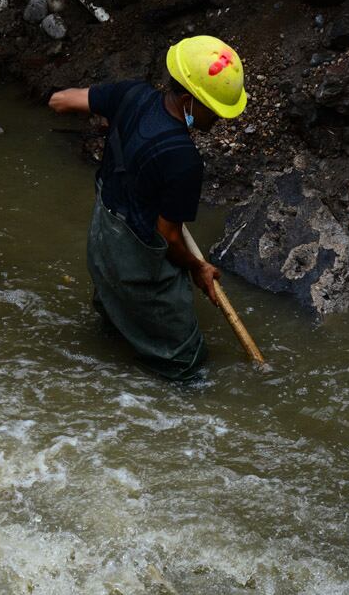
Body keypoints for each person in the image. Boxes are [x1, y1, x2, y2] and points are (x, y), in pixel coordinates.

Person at [48, 36, 248, 379]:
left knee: (115, 323)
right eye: (213, 109)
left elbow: (60, 101)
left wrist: (118, 123)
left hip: (103, 243)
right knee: (186, 365)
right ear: (188, 101)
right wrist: (198, 267)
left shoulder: (131, 94)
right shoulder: (183, 160)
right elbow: (168, 238)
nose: (219, 119)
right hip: (135, 264)